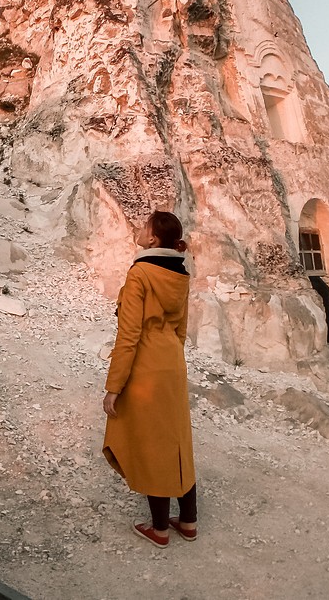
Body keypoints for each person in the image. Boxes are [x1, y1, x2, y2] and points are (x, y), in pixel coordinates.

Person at [102, 210, 198, 548]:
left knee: (153, 444)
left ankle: (159, 529)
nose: (140, 230)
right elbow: (182, 330)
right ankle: (188, 521)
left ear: (153, 239)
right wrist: (169, 355)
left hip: (146, 364)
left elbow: (128, 335)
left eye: (145, 227)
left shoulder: (140, 274)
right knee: (178, 440)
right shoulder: (180, 274)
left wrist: (113, 388)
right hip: (172, 360)